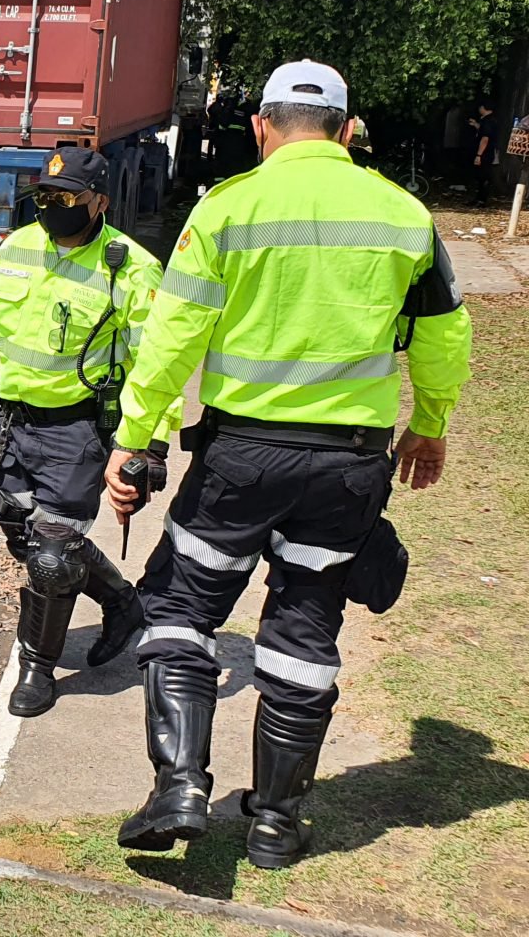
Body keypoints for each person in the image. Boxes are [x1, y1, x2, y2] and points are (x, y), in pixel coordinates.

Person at [101, 60, 472, 869]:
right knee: (305, 624)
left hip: (242, 459)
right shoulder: (405, 215)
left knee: (178, 610)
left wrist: (138, 440)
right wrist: (430, 425)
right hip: (348, 469)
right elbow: (446, 331)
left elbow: (172, 339)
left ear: (262, 128)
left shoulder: (229, 207)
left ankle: (180, 788)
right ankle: (274, 823)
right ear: (346, 131)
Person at [0, 148, 179, 718]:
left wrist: (151, 443)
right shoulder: (16, 249)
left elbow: (157, 365)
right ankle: (122, 601)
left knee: (53, 557)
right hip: (11, 423)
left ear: (101, 203)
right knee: (24, 536)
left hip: (78, 430)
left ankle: (36, 669)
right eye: (45, 197)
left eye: (68, 199)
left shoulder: (132, 268)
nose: (54, 207)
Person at [468, 101, 504, 206]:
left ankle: (482, 200)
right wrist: (476, 125)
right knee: (480, 176)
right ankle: (479, 198)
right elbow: (483, 131)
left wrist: (479, 155)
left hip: (485, 153)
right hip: (486, 152)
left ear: (484, 108)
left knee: (483, 176)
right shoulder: (487, 121)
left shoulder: (489, 121)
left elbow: (485, 138)